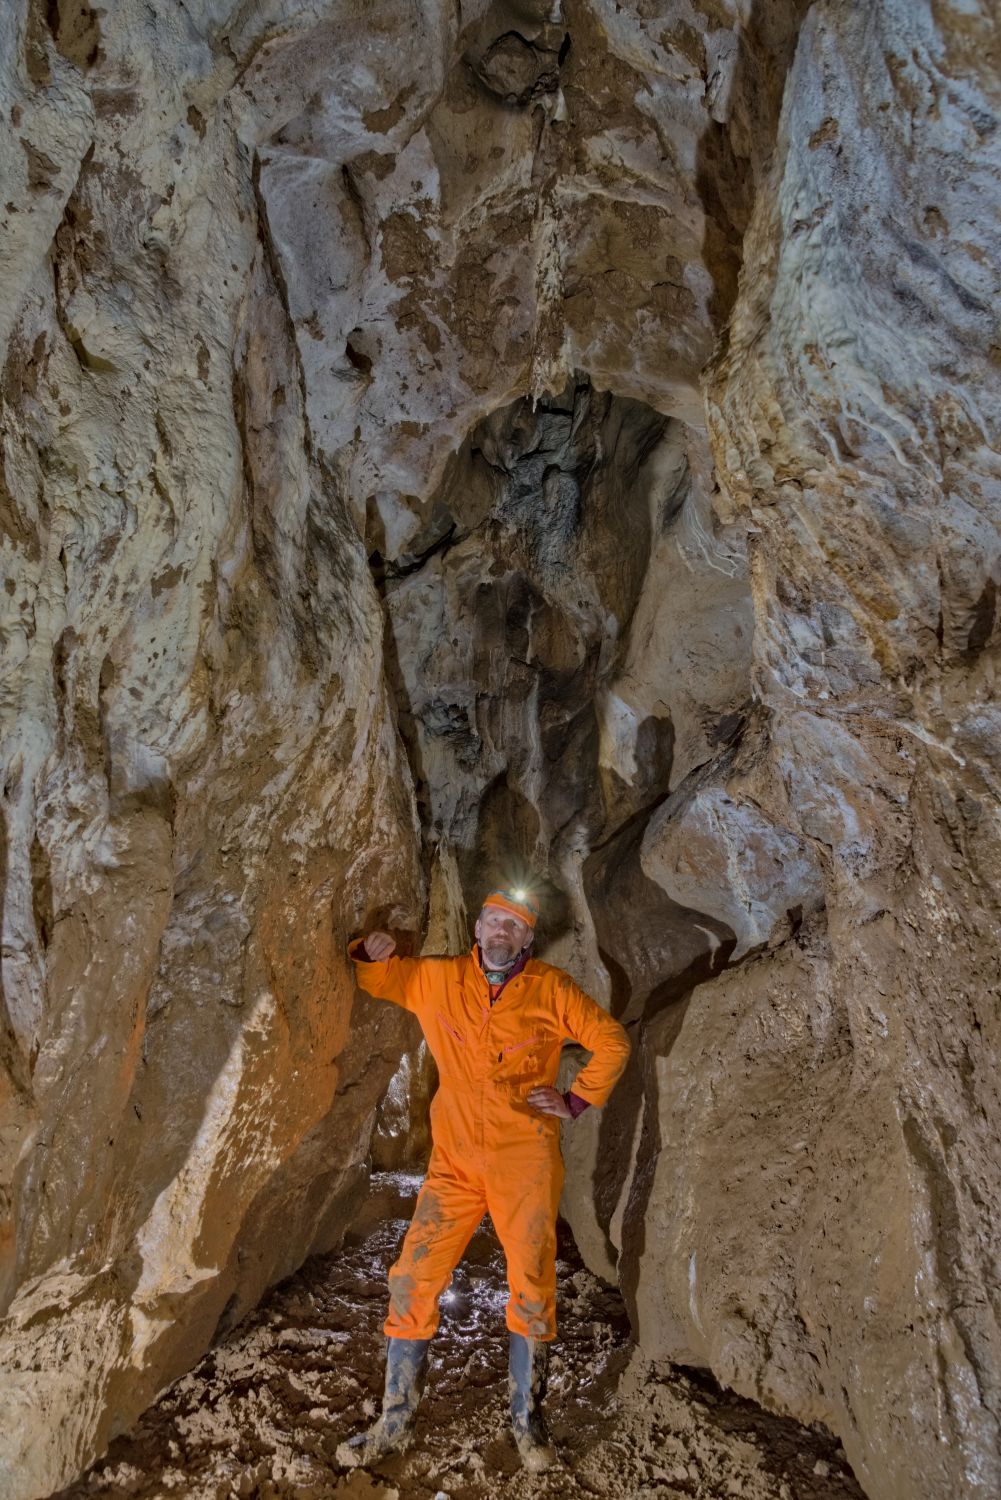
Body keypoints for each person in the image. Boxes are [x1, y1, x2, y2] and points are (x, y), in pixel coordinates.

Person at [338, 887, 631, 1473]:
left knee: (530, 1282)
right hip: (453, 1164)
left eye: (515, 926)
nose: (502, 932)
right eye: (495, 921)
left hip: (524, 1160)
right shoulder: (441, 980)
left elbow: (611, 1042)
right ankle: (394, 1420)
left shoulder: (550, 990)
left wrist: (574, 1101)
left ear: (526, 940)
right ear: (478, 929)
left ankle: (527, 1420)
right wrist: (371, 952)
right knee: (413, 1274)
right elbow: (382, 980)